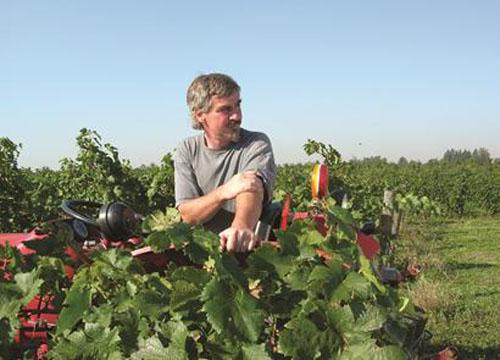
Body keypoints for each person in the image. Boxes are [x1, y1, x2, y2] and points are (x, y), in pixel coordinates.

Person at [174, 73, 276, 253]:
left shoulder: (256, 143)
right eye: (225, 109)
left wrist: (240, 227)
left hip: (248, 250)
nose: (237, 116)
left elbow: (250, 189)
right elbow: (187, 214)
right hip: (204, 254)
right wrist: (223, 192)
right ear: (200, 115)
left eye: (238, 105)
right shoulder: (187, 150)